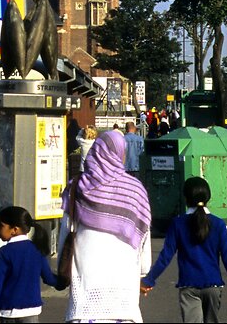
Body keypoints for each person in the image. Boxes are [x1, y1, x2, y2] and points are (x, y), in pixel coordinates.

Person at [58, 130, 152, 322]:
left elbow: (64, 236)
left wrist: (62, 263)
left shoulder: (77, 187)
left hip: (85, 297)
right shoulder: (135, 190)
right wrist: (143, 271)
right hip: (123, 298)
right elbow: (143, 241)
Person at [140, 177, 227, 323]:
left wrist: (148, 280)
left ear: (185, 198)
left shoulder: (177, 224)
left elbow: (166, 257)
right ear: (208, 197)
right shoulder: (218, 224)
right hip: (213, 285)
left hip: (188, 285)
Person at [0, 206, 59, 323]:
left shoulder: (3, 252)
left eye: (1, 225)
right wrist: (62, 282)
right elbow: (49, 278)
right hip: (31, 310)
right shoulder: (37, 249)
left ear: (14, 229)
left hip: (8, 310)